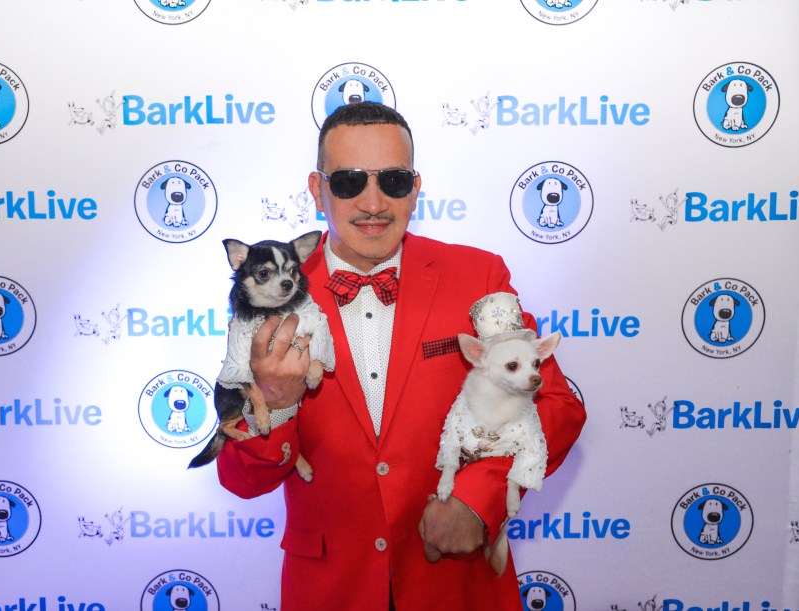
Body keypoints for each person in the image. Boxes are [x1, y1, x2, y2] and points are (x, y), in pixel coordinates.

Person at [216, 102, 586, 610]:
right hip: (331, 591)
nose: (373, 202)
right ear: (317, 190)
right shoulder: (268, 295)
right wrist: (276, 402)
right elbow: (240, 477)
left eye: (392, 180)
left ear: (415, 188)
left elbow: (555, 406)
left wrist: (475, 501)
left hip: (455, 585)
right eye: (348, 182)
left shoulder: (476, 276)